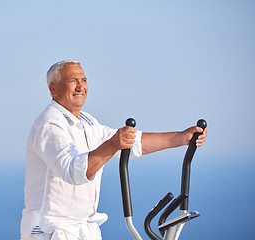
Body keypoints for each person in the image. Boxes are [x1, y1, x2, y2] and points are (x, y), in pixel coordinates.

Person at [20, 60, 207, 240]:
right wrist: (112, 144)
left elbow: (132, 143)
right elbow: (74, 172)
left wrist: (181, 138)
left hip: (83, 230)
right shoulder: (50, 123)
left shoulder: (87, 122)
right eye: (72, 81)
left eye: (84, 80)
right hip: (53, 231)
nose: (80, 86)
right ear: (53, 89)